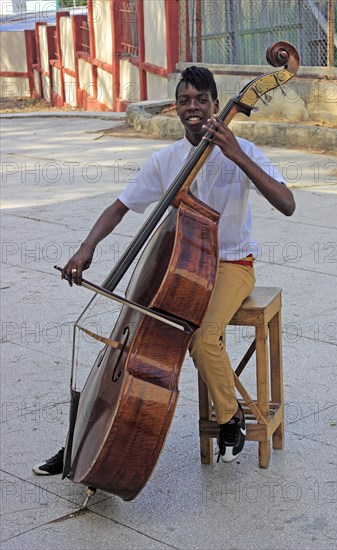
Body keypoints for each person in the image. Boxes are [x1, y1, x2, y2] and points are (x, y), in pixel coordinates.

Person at [32, 66, 295, 475]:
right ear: (176, 107)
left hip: (231, 265)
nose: (193, 107)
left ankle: (230, 419)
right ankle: (78, 440)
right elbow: (120, 207)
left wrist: (236, 154)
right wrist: (86, 249)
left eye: (201, 100)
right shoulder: (166, 159)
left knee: (204, 337)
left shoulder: (239, 150)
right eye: (185, 100)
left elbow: (287, 203)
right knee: (124, 344)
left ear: (215, 104)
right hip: (181, 270)